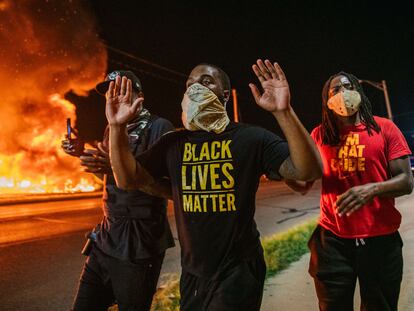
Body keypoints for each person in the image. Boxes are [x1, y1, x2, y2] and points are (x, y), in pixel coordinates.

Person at [105, 60, 322, 310]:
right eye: (190, 84)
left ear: (225, 95)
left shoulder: (251, 138)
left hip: (238, 270)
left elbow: (308, 171)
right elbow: (127, 179)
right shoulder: (173, 143)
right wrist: (116, 126)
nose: (196, 87)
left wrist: (283, 112)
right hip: (194, 273)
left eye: (206, 82)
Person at [287, 72, 413, 311]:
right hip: (332, 241)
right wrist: (284, 172)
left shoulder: (384, 128)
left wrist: (371, 190)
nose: (342, 93)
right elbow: (304, 184)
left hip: (380, 240)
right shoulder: (319, 135)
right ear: (326, 101)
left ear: (359, 91)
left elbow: (406, 182)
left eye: (348, 86)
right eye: (334, 90)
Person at [62, 70, 175, 311]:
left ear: (140, 96)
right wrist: (81, 153)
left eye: (123, 89)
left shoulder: (159, 127)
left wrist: (116, 169)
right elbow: (107, 176)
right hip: (106, 236)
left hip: (139, 241)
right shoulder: (112, 128)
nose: (116, 95)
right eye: (111, 90)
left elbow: (171, 189)